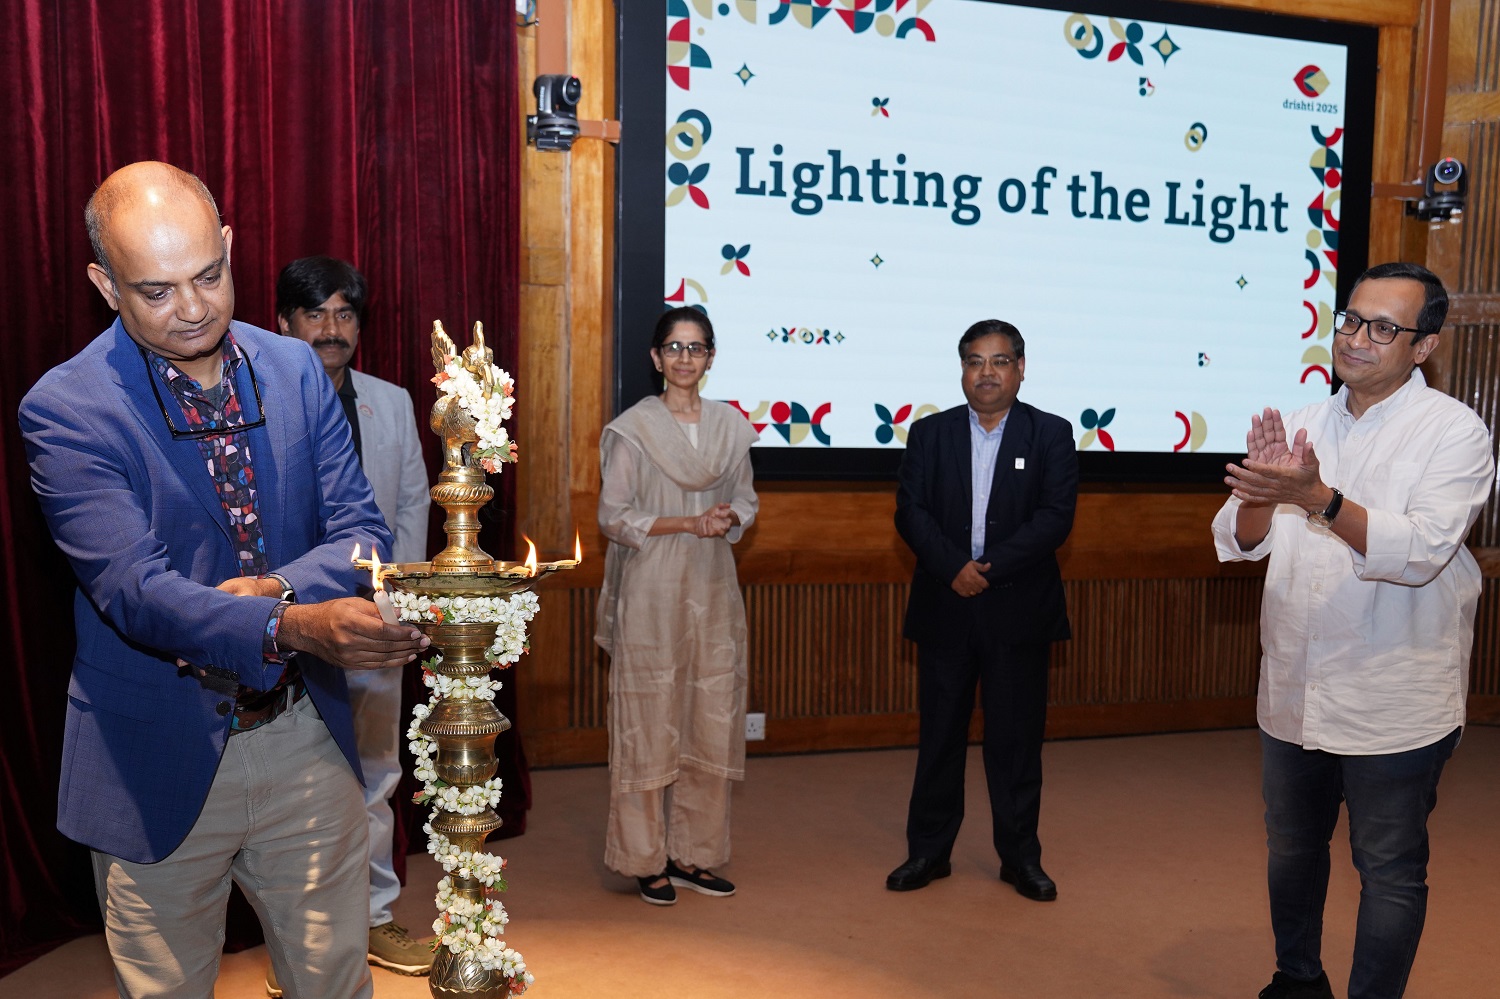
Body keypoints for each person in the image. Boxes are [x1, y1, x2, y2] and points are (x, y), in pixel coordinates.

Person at [19, 161, 431, 999]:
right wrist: (295, 625)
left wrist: (272, 598)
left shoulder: (293, 369)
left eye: (209, 274)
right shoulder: (65, 407)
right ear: (105, 285)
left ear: (232, 246)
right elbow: (135, 589)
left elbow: (363, 530)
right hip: (151, 754)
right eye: (158, 290)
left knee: (334, 984)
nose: (196, 307)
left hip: (303, 735)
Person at [1213, 262, 1495, 999]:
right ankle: (1297, 977)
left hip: (1393, 698)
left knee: (1390, 868)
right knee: (1292, 848)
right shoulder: (1304, 421)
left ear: (1424, 346)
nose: (1356, 339)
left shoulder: (1455, 433)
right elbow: (1242, 540)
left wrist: (1316, 496)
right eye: (1349, 320)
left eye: (1381, 328)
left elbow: (1422, 550)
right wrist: (1263, 492)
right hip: (1293, 687)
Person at [274, 256, 433, 982]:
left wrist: (395, 600)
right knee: (295, 780)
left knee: (376, 773)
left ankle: (372, 916)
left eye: (345, 315)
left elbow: (410, 505)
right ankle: (299, 946)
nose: (332, 330)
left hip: (379, 619)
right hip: (290, 625)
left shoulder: (391, 401)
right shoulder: (259, 401)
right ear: (284, 323)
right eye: (316, 314)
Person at [886, 319, 1078, 901]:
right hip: (947, 605)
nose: (986, 373)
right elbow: (910, 512)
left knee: (1016, 742)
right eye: (975, 361)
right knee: (940, 736)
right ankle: (928, 853)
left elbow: (1055, 517)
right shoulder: (930, 434)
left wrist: (986, 570)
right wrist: (954, 569)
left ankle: (1020, 859)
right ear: (962, 370)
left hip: (1016, 609)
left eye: (999, 361)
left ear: (1021, 368)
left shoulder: (1051, 434)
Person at [594, 306, 759, 906]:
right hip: (652, 584)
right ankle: (645, 857)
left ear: (710, 357)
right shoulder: (632, 429)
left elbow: (746, 498)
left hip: (712, 584)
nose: (686, 358)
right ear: (657, 358)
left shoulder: (731, 429)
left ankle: (695, 854)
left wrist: (730, 515)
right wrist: (687, 521)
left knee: (710, 712)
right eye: (675, 348)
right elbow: (614, 517)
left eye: (697, 348)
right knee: (648, 718)